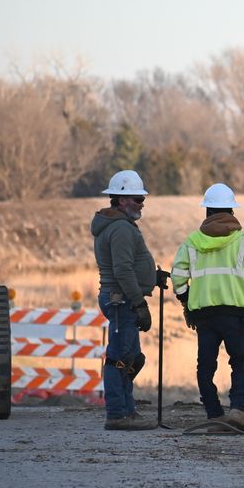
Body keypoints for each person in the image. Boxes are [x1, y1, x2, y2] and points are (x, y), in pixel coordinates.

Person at [170, 183, 244, 433]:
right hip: (236, 315)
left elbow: (178, 276)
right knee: (239, 363)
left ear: (207, 212)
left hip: (204, 316)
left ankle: (214, 414)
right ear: (232, 212)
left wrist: (187, 302)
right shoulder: (243, 242)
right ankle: (237, 412)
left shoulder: (191, 241)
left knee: (205, 366)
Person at [91, 170, 159, 431]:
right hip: (121, 301)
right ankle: (117, 413)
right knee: (118, 358)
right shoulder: (119, 228)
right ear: (120, 200)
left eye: (142, 199)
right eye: (137, 199)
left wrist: (152, 276)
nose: (142, 204)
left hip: (122, 300)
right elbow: (122, 269)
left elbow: (128, 265)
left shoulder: (118, 225)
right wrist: (139, 303)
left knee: (131, 358)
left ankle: (128, 410)